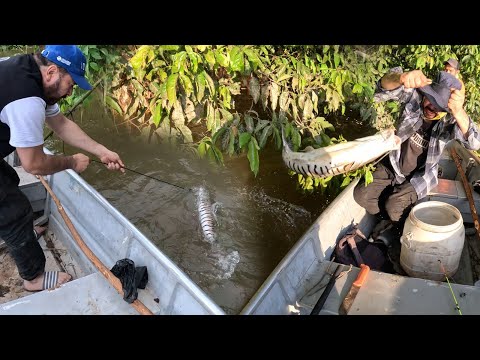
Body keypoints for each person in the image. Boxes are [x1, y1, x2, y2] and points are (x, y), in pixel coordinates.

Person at [0, 45, 125, 292]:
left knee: (8, 181)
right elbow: (33, 163)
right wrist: (71, 162)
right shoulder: (26, 99)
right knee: (16, 212)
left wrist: (100, 150)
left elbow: (60, 123)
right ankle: (33, 278)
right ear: (53, 72)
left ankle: (21, 234)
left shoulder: (32, 72)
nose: (71, 92)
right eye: (72, 84)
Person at [353, 67, 480, 244]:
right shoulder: (413, 100)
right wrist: (401, 77)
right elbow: (381, 91)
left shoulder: (448, 122)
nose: (432, 108)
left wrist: (458, 112)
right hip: (393, 165)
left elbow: (475, 142)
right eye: (431, 100)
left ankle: (399, 231)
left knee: (394, 205)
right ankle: (387, 220)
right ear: (426, 94)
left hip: (420, 177)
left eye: (440, 107)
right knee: (361, 195)